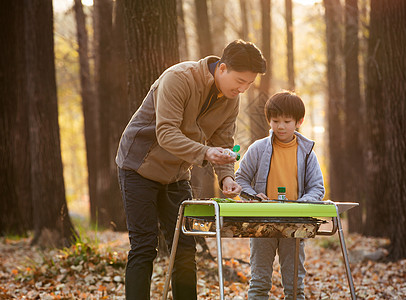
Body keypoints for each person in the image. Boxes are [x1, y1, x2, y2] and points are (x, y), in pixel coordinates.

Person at [116, 40, 266, 300]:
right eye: (240, 80)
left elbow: (223, 142)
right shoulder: (179, 78)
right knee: (144, 247)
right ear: (222, 68)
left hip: (176, 175)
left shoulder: (231, 99)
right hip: (138, 167)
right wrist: (205, 152)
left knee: (185, 247)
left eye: (249, 84)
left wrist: (227, 176)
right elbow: (165, 133)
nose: (242, 89)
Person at [235, 91, 325, 300]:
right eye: (275, 121)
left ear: (299, 122)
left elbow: (317, 188)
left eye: (287, 121)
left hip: (294, 224)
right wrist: (254, 197)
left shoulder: (307, 153)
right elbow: (240, 179)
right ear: (269, 121)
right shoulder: (258, 149)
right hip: (262, 223)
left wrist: (300, 205)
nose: (281, 126)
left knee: (295, 286)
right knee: (259, 282)